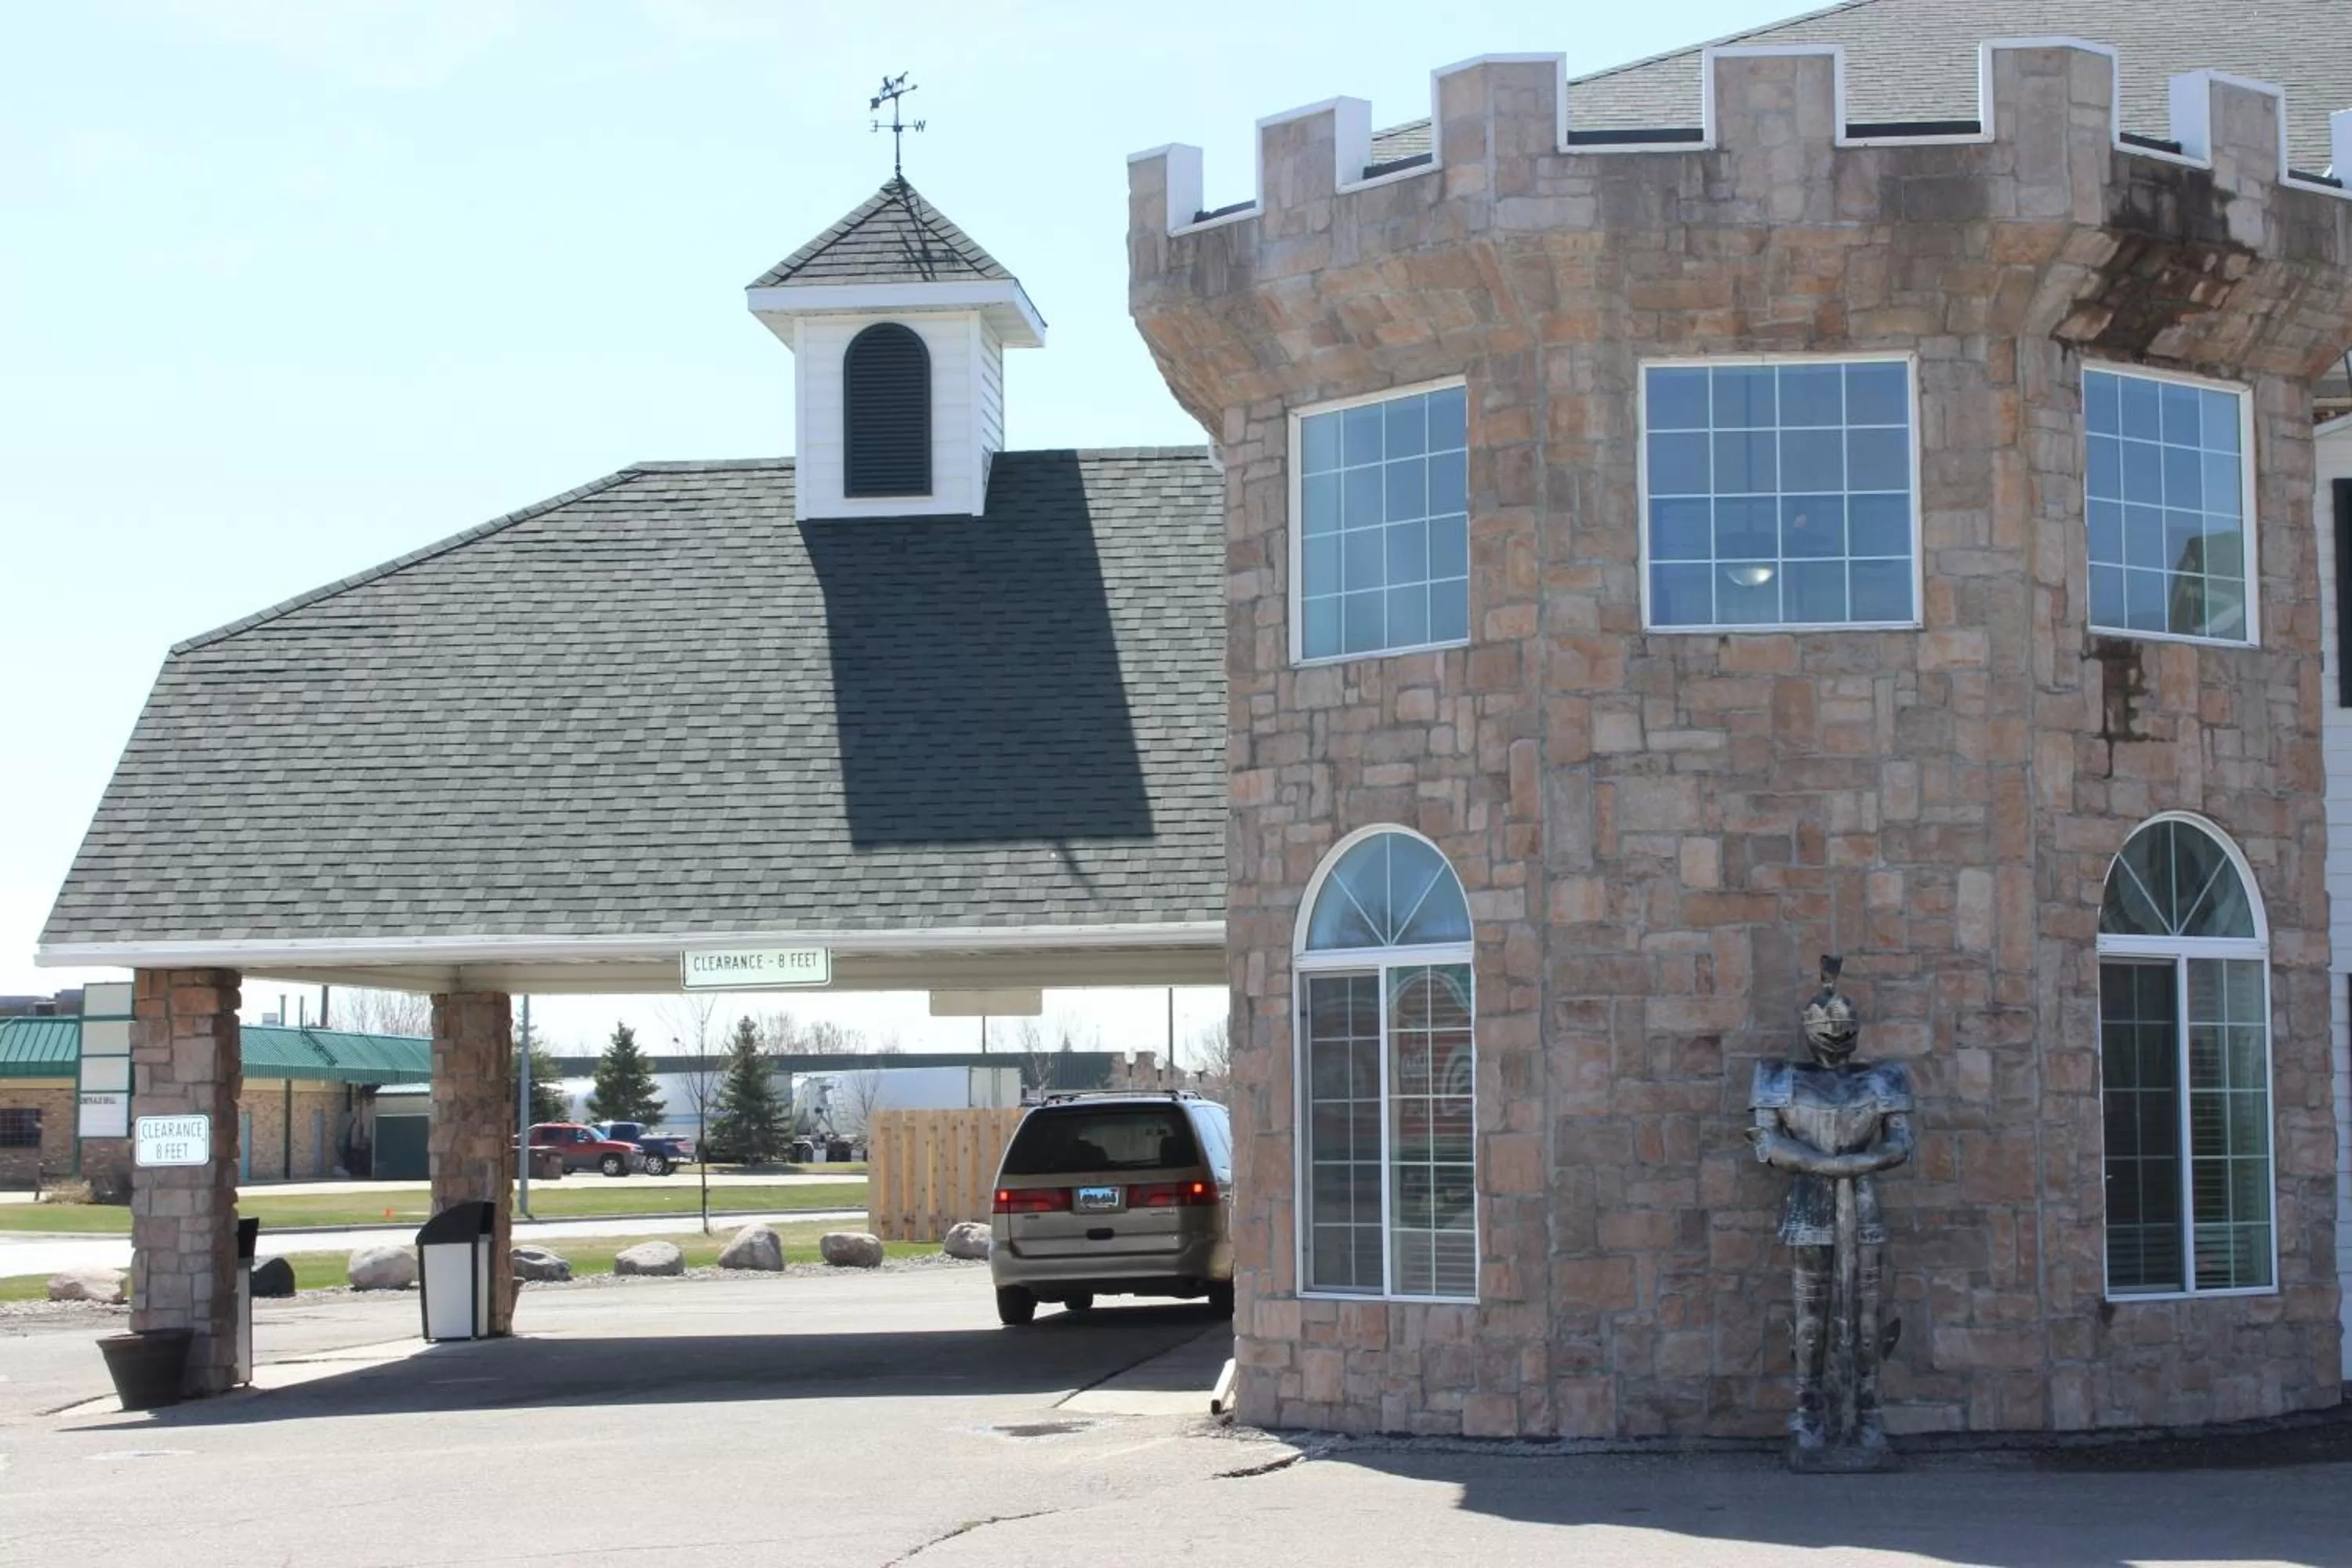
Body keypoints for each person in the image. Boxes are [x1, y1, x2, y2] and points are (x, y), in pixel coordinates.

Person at [1748, 956, 1915, 1462]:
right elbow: (1767, 1142)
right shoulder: (1777, 1077)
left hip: (1861, 1203)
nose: (1838, 1035)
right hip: (1810, 1204)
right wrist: (1824, 1165)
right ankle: (1809, 1413)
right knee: (1811, 1315)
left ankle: (1867, 1413)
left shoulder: (1884, 1079)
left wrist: (1855, 1164)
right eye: (1828, 1026)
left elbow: (1901, 1142)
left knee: (1866, 1315)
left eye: (1845, 1026)